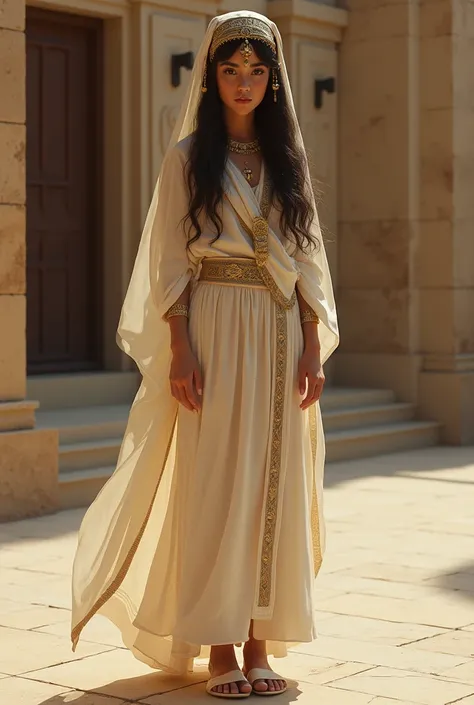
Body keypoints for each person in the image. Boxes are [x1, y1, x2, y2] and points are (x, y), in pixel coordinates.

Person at [71, 10, 339, 700]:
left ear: (272, 80)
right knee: (217, 480)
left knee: (271, 482)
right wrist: (181, 344)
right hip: (215, 325)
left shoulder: (289, 161)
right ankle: (220, 645)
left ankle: (260, 639)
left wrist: (313, 343)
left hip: (280, 333)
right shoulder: (188, 156)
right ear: (213, 76)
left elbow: (307, 262)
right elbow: (167, 261)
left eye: (255, 70)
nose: (243, 82)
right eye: (230, 69)